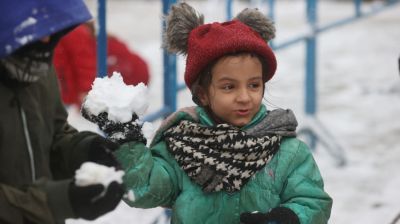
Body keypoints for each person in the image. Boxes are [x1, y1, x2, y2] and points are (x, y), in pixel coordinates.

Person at [83, 2, 332, 224]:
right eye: (229, 87)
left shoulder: (287, 151)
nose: (244, 96)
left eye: (254, 85)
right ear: (202, 94)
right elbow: (145, 191)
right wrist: (128, 145)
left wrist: (285, 218)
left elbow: (314, 202)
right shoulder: (180, 145)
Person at [0, 0, 124, 223]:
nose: (47, 41)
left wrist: (85, 151)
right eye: (32, 29)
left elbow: (53, 135)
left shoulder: (37, 68)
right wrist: (54, 202)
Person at [53, 22, 97, 107]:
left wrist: (86, 90)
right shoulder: (71, 30)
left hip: (66, 90)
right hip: (64, 88)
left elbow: (85, 64)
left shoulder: (73, 31)